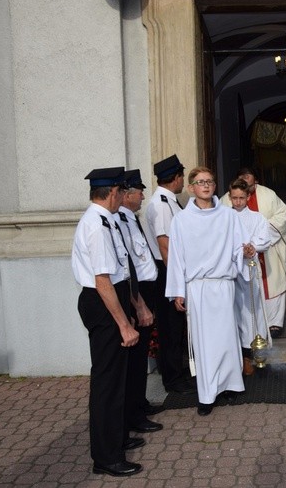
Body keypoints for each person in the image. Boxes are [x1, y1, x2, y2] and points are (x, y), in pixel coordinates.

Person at [72, 167, 147, 477]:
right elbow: (102, 281)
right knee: (107, 383)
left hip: (112, 297)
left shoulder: (105, 219)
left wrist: (137, 305)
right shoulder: (97, 225)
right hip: (103, 303)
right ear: (113, 192)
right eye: (121, 191)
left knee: (118, 378)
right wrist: (124, 325)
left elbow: (120, 273)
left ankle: (116, 440)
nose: (124, 196)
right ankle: (106, 457)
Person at [165, 167, 255, 416]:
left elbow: (240, 247)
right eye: (200, 182)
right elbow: (176, 259)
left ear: (215, 187)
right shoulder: (182, 220)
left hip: (223, 284)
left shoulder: (229, 216)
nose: (205, 185)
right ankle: (207, 394)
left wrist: (245, 253)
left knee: (227, 337)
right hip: (198, 287)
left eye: (210, 181)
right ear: (192, 187)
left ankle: (230, 385)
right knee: (204, 342)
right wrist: (178, 291)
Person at [114, 169, 165, 430]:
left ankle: (139, 403)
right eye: (139, 191)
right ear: (127, 194)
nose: (143, 195)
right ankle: (133, 414)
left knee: (141, 353)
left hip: (144, 289)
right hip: (136, 293)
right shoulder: (119, 221)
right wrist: (138, 303)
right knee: (134, 360)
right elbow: (129, 264)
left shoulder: (131, 218)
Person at [144, 154, 195, 395]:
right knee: (171, 328)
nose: (183, 180)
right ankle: (172, 379)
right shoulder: (161, 205)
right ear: (175, 178)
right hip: (168, 271)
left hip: (174, 269)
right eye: (182, 176)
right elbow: (165, 246)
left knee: (176, 327)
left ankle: (177, 371)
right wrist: (177, 282)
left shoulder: (170, 201)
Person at [220, 167, 286, 337]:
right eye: (241, 175)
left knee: (268, 285)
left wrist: (258, 241)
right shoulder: (224, 208)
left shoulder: (268, 195)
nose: (238, 201)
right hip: (234, 262)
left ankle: (272, 323)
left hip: (264, 252)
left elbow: (281, 214)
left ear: (255, 179)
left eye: (248, 175)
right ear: (230, 197)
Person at [227, 178, 273, 376]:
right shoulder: (223, 217)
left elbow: (265, 239)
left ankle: (254, 352)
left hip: (251, 269)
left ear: (248, 197)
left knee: (251, 312)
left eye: (241, 198)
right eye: (234, 198)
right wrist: (238, 250)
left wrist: (252, 246)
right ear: (229, 197)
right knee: (233, 312)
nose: (238, 202)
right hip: (230, 271)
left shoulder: (257, 218)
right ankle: (238, 355)